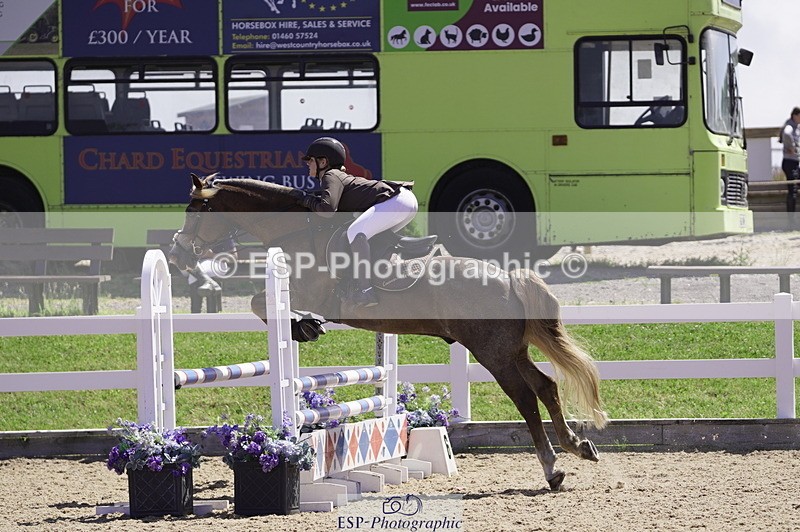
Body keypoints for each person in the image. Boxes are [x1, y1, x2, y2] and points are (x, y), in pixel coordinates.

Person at [291, 137, 418, 307]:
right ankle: (383, 282)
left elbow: (327, 210)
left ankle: (365, 291)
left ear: (323, 161)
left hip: (397, 201)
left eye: (310, 160)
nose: (307, 164)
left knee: (355, 233)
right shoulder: (336, 176)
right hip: (404, 201)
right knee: (371, 238)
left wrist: (305, 200)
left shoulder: (330, 175)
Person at [781, 107, 800, 212]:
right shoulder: (790, 126)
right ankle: (791, 219)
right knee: (792, 190)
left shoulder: (797, 127)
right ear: (795, 116)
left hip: (795, 163)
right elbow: (787, 134)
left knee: (793, 189)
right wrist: (791, 147)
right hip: (790, 162)